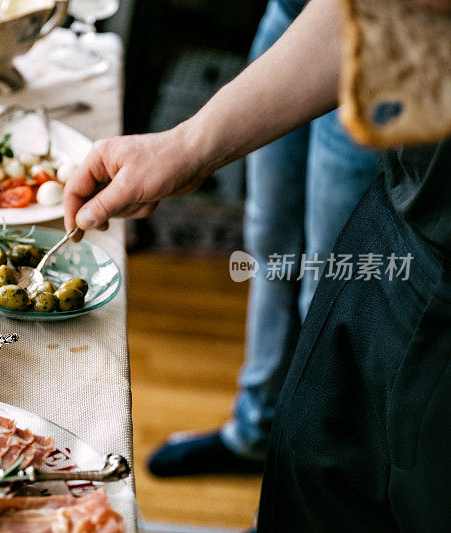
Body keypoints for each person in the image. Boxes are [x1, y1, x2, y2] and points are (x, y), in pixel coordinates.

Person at [64, 0, 451, 528]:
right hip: (398, 191)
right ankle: (255, 429)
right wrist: (187, 146)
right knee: (273, 256)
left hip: (434, 267)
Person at [145, 0, 381, 476]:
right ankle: (255, 429)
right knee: (270, 246)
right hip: (292, 17)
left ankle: (304, 480)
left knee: (329, 283)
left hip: (377, 43)